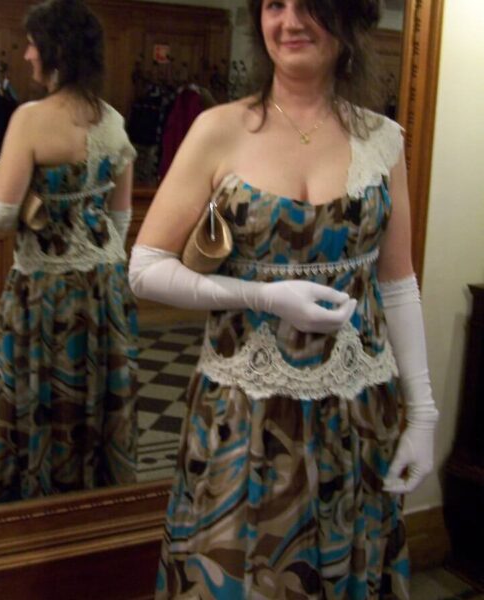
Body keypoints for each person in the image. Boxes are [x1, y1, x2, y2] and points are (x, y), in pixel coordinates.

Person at [128, 0, 438, 597]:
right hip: (245, 417)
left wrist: (423, 414)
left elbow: (398, 285)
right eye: (274, 5)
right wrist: (264, 297)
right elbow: (145, 269)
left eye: (309, 5)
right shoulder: (218, 129)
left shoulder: (382, 140)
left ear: (347, 19)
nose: (289, 22)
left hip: (357, 415)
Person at [0, 0, 138, 504]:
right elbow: (120, 218)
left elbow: (0, 216)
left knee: (41, 392)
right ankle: (94, 498)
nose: (27, 54)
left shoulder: (29, 119)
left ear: (56, 50)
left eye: (33, 45)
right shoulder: (114, 121)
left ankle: (37, 499)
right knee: (97, 388)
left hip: (45, 288)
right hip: (105, 285)